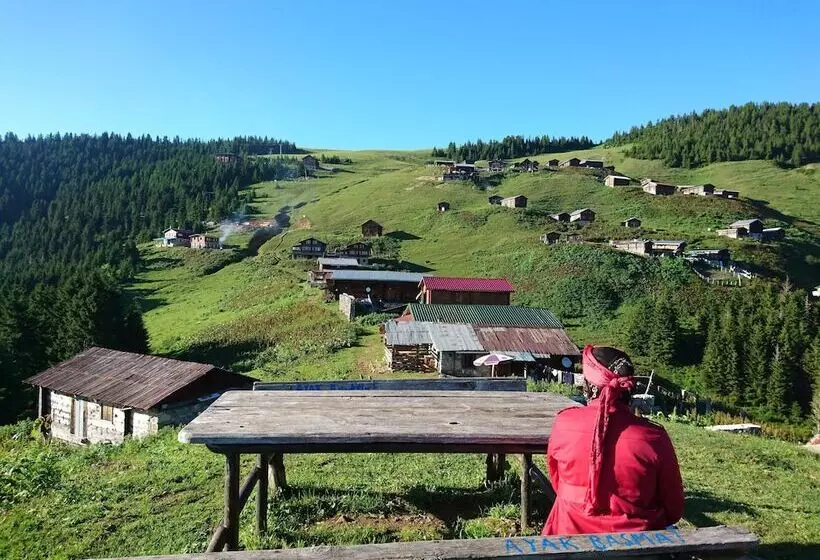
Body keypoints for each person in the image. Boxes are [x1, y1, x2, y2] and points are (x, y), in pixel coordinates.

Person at [542, 345, 684, 535]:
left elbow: (557, 482)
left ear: (589, 386)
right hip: (640, 549)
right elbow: (673, 509)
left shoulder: (564, 423)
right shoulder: (653, 436)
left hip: (568, 541)